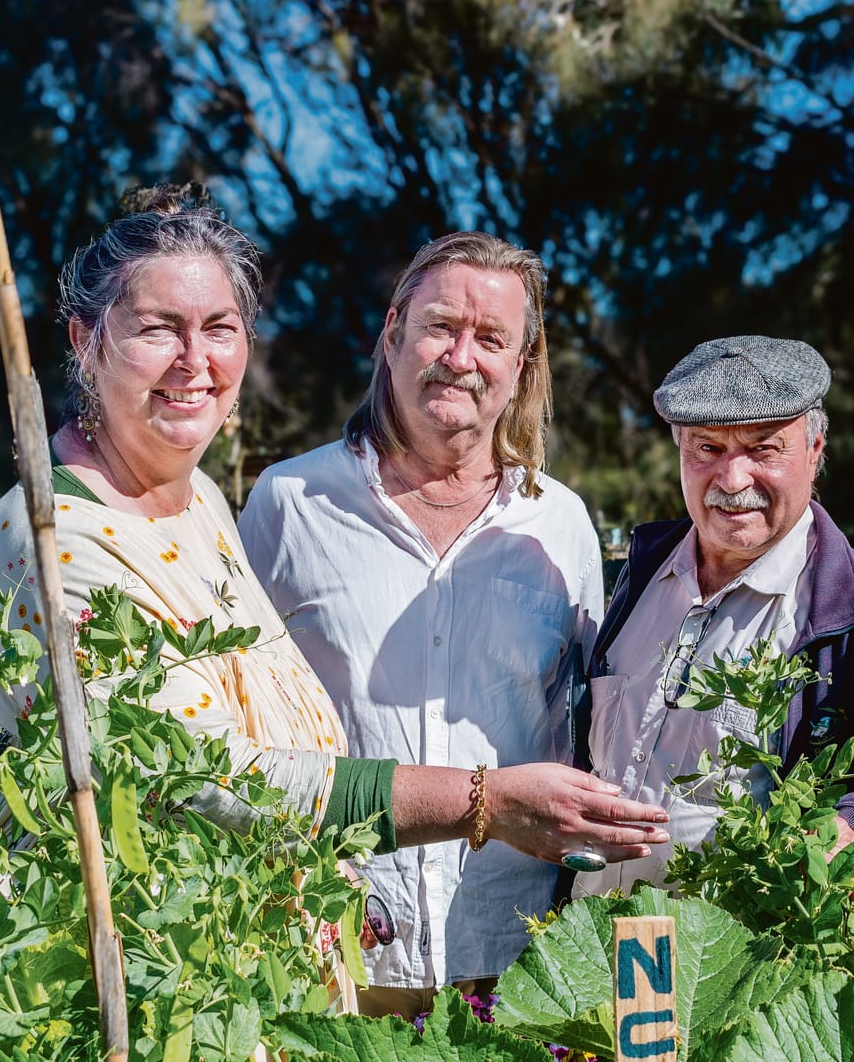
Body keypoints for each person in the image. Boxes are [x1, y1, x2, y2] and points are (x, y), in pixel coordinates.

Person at [0, 192, 666, 1011]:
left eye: (219, 329)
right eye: (157, 326)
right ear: (84, 339)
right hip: (34, 988)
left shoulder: (196, 500)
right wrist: (486, 801)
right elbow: (197, 777)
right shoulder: (51, 539)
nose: (193, 360)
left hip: (198, 972)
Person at [240, 232, 662, 1018]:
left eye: (491, 338)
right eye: (440, 326)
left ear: (521, 368)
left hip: (514, 959)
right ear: (392, 332)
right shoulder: (289, 504)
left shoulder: (558, 523)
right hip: (332, 951)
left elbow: (591, 721)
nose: (461, 356)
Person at [570, 335, 854, 904]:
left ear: (815, 449)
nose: (732, 480)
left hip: (751, 971)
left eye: (763, 449)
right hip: (600, 957)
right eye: (706, 448)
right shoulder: (634, 576)